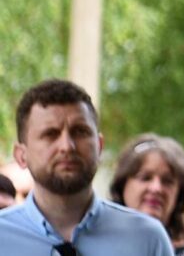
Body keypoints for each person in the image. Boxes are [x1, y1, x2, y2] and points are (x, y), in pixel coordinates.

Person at [0, 79, 173, 255]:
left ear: (100, 146)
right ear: (21, 155)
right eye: (50, 134)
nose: (67, 146)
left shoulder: (147, 239)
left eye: (80, 132)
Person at [111, 133, 184, 255]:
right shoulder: (98, 243)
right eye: (145, 178)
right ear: (122, 185)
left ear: (180, 194)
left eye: (167, 181)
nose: (156, 188)